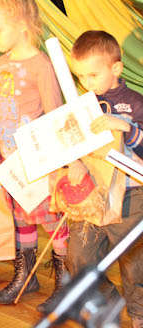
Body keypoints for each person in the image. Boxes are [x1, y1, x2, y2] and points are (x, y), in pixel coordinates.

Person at [0, 0, 67, 307]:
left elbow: (54, 115)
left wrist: (56, 164)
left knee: (52, 220)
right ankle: (26, 276)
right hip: (9, 163)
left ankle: (65, 281)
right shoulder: (2, 63)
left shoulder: (41, 65)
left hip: (37, 162)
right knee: (21, 219)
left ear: (23, 24)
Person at [66, 31, 143, 328]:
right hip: (93, 193)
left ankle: (139, 312)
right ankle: (110, 304)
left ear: (116, 68)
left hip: (131, 194)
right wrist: (74, 162)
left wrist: (125, 127)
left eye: (93, 75)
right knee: (78, 259)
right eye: (81, 76)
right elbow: (71, 142)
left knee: (134, 262)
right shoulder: (82, 104)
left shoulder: (135, 103)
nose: (87, 83)